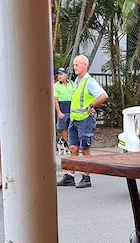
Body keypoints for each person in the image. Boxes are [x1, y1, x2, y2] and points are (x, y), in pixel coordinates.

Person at [57, 55, 108, 189]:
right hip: (75, 119)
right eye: (74, 65)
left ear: (85, 65)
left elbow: (103, 95)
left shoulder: (89, 81)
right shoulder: (77, 81)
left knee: (85, 148)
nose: (74, 68)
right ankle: (70, 176)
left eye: (77, 65)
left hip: (85, 120)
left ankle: (86, 177)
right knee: (73, 147)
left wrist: (91, 106)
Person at [53, 67, 74, 147]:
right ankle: (67, 144)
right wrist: (58, 111)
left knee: (72, 127)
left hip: (71, 107)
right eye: (58, 74)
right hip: (63, 108)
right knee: (63, 128)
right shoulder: (56, 86)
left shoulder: (71, 83)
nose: (59, 76)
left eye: (61, 74)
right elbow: (56, 100)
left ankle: (72, 143)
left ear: (66, 75)